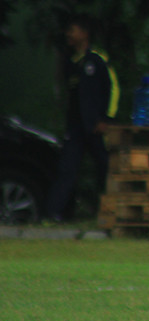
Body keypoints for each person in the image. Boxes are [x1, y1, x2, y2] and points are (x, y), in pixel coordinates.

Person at [46, 14, 120, 222]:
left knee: (105, 168)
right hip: (76, 128)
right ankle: (53, 214)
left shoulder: (98, 59)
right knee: (66, 169)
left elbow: (114, 89)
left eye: (73, 30)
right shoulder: (70, 62)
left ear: (84, 34)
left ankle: (110, 213)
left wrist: (106, 119)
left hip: (97, 127)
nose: (68, 34)